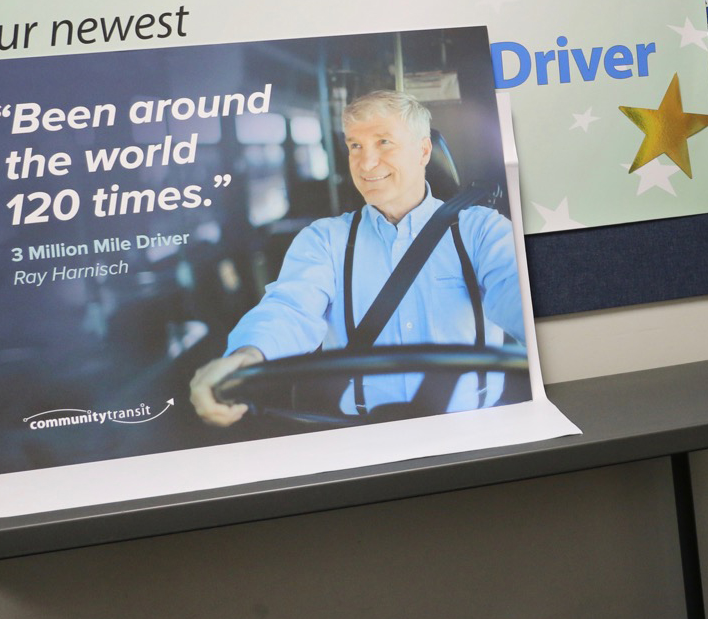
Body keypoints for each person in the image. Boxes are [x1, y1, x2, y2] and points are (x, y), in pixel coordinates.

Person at [190, 90, 524, 426]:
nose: (365, 163)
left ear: (423, 151)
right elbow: (290, 309)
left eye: (383, 143)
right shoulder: (324, 240)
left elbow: (517, 293)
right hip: (361, 433)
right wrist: (247, 355)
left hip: (474, 428)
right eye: (355, 146)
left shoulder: (481, 231)